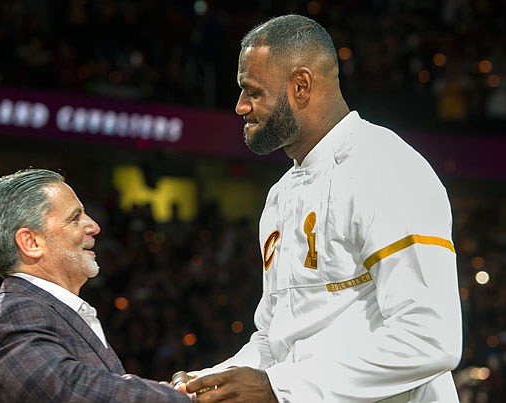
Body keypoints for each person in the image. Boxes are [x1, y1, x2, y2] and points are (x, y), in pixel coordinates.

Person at [171, 14, 463, 402]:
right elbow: (277, 341)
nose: (241, 106)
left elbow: (429, 337)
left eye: (252, 91)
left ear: (302, 86)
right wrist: (207, 382)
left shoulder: (386, 167)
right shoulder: (280, 195)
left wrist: (279, 388)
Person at [0, 168, 190, 403]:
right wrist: (178, 399)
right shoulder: (15, 314)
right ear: (31, 242)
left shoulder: (38, 312)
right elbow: (67, 391)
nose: (94, 226)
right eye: (75, 218)